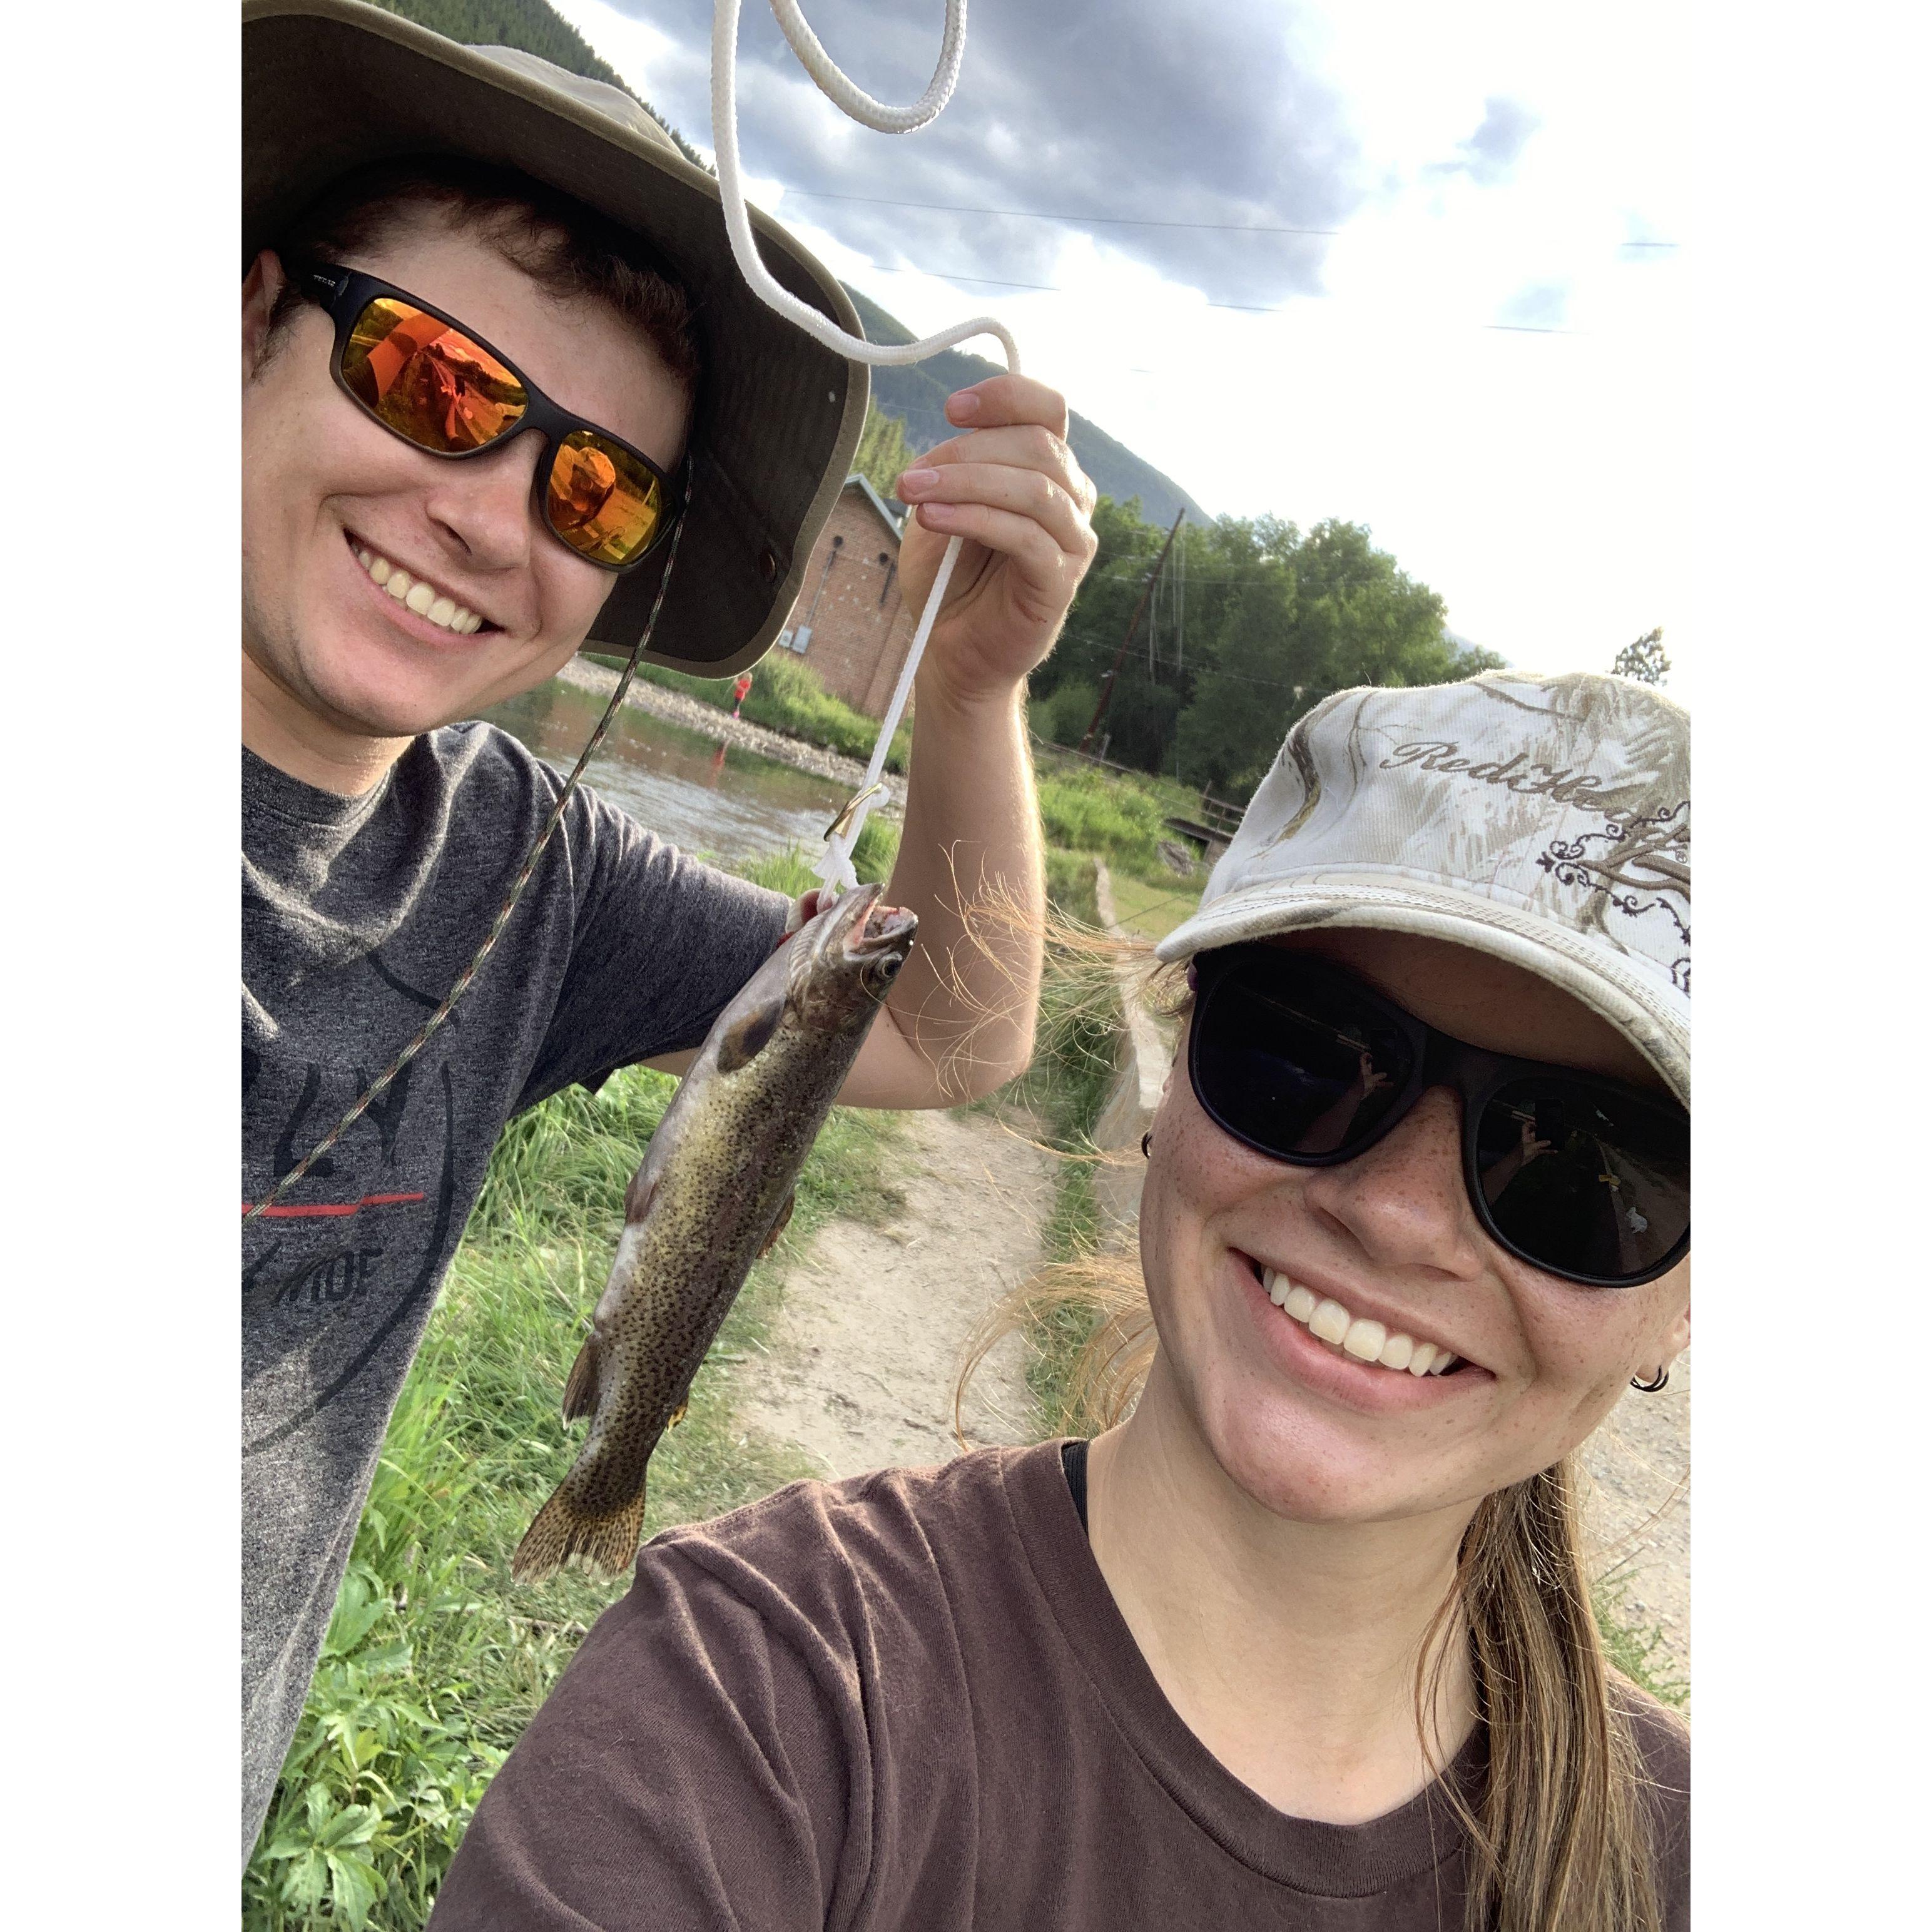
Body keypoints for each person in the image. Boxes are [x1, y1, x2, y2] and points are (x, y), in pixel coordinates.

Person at [426, 671, 1692, 1931]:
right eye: (1301, 1051)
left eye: (1590, 1161)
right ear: (1173, 1082)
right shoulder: (758, 1694)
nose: (1398, 1212)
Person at [241, 1, 1096, 1862]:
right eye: (434, 385)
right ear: (245, 325)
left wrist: (967, 699)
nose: (481, 514)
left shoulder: (531, 878)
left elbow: (957, 1030)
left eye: (591, 487)